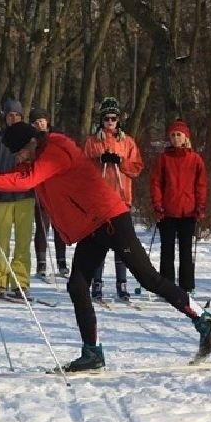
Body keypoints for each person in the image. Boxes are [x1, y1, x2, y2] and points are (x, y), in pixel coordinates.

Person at [0, 122, 211, 371]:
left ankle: (204, 320)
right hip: (92, 227)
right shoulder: (40, 156)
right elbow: (18, 174)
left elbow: (27, 180)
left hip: (110, 219)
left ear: (31, 144)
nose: (17, 157)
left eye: (19, 152)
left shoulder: (56, 150)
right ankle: (93, 353)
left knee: (148, 277)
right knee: (77, 285)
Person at [82, 97, 143, 301]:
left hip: (120, 200)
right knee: (99, 243)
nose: (110, 122)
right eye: (106, 118)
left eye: (114, 119)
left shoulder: (127, 142)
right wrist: (98, 161)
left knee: (122, 244)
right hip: (99, 201)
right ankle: (96, 282)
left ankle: (122, 282)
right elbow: (82, 168)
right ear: (101, 120)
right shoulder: (93, 141)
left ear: (119, 120)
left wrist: (121, 161)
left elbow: (136, 168)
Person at [0, 99, 36, 299]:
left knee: (23, 241)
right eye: (9, 115)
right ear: (4, 117)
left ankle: (20, 281)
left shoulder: (29, 138)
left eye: (17, 115)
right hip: (3, 195)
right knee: (1, 240)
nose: (13, 118)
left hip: (25, 195)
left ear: (22, 117)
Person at [149, 118, 207, 295]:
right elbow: (156, 183)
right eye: (173, 135)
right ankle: (166, 285)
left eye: (178, 135)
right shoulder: (164, 158)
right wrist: (157, 204)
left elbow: (201, 184)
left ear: (185, 137)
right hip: (168, 211)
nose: (175, 138)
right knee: (167, 250)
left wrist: (200, 206)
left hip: (188, 211)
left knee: (185, 251)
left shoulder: (195, 159)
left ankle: (187, 286)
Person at [29, 107, 68, 280]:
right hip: (41, 187)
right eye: (36, 122)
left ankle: (61, 262)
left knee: (59, 226)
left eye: (42, 121)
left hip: (57, 188)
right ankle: (42, 263)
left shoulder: (57, 137)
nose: (40, 124)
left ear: (47, 121)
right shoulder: (32, 141)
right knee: (42, 226)